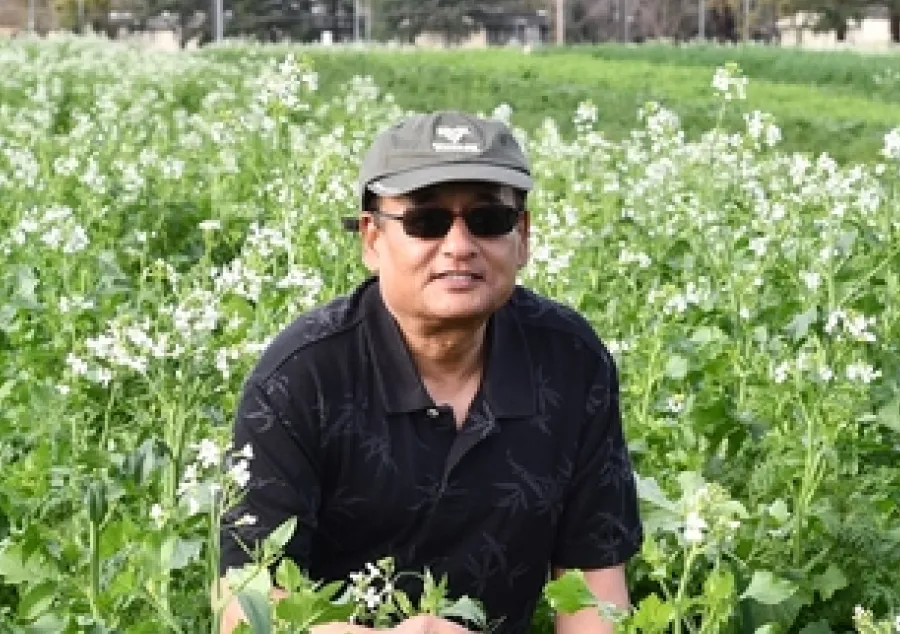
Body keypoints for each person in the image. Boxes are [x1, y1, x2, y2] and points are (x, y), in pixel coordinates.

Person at [213, 110, 644, 634]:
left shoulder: (570, 360)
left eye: (488, 220)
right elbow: (246, 605)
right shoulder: (303, 377)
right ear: (371, 239)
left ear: (523, 236)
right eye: (426, 222)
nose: (460, 246)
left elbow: (593, 594)